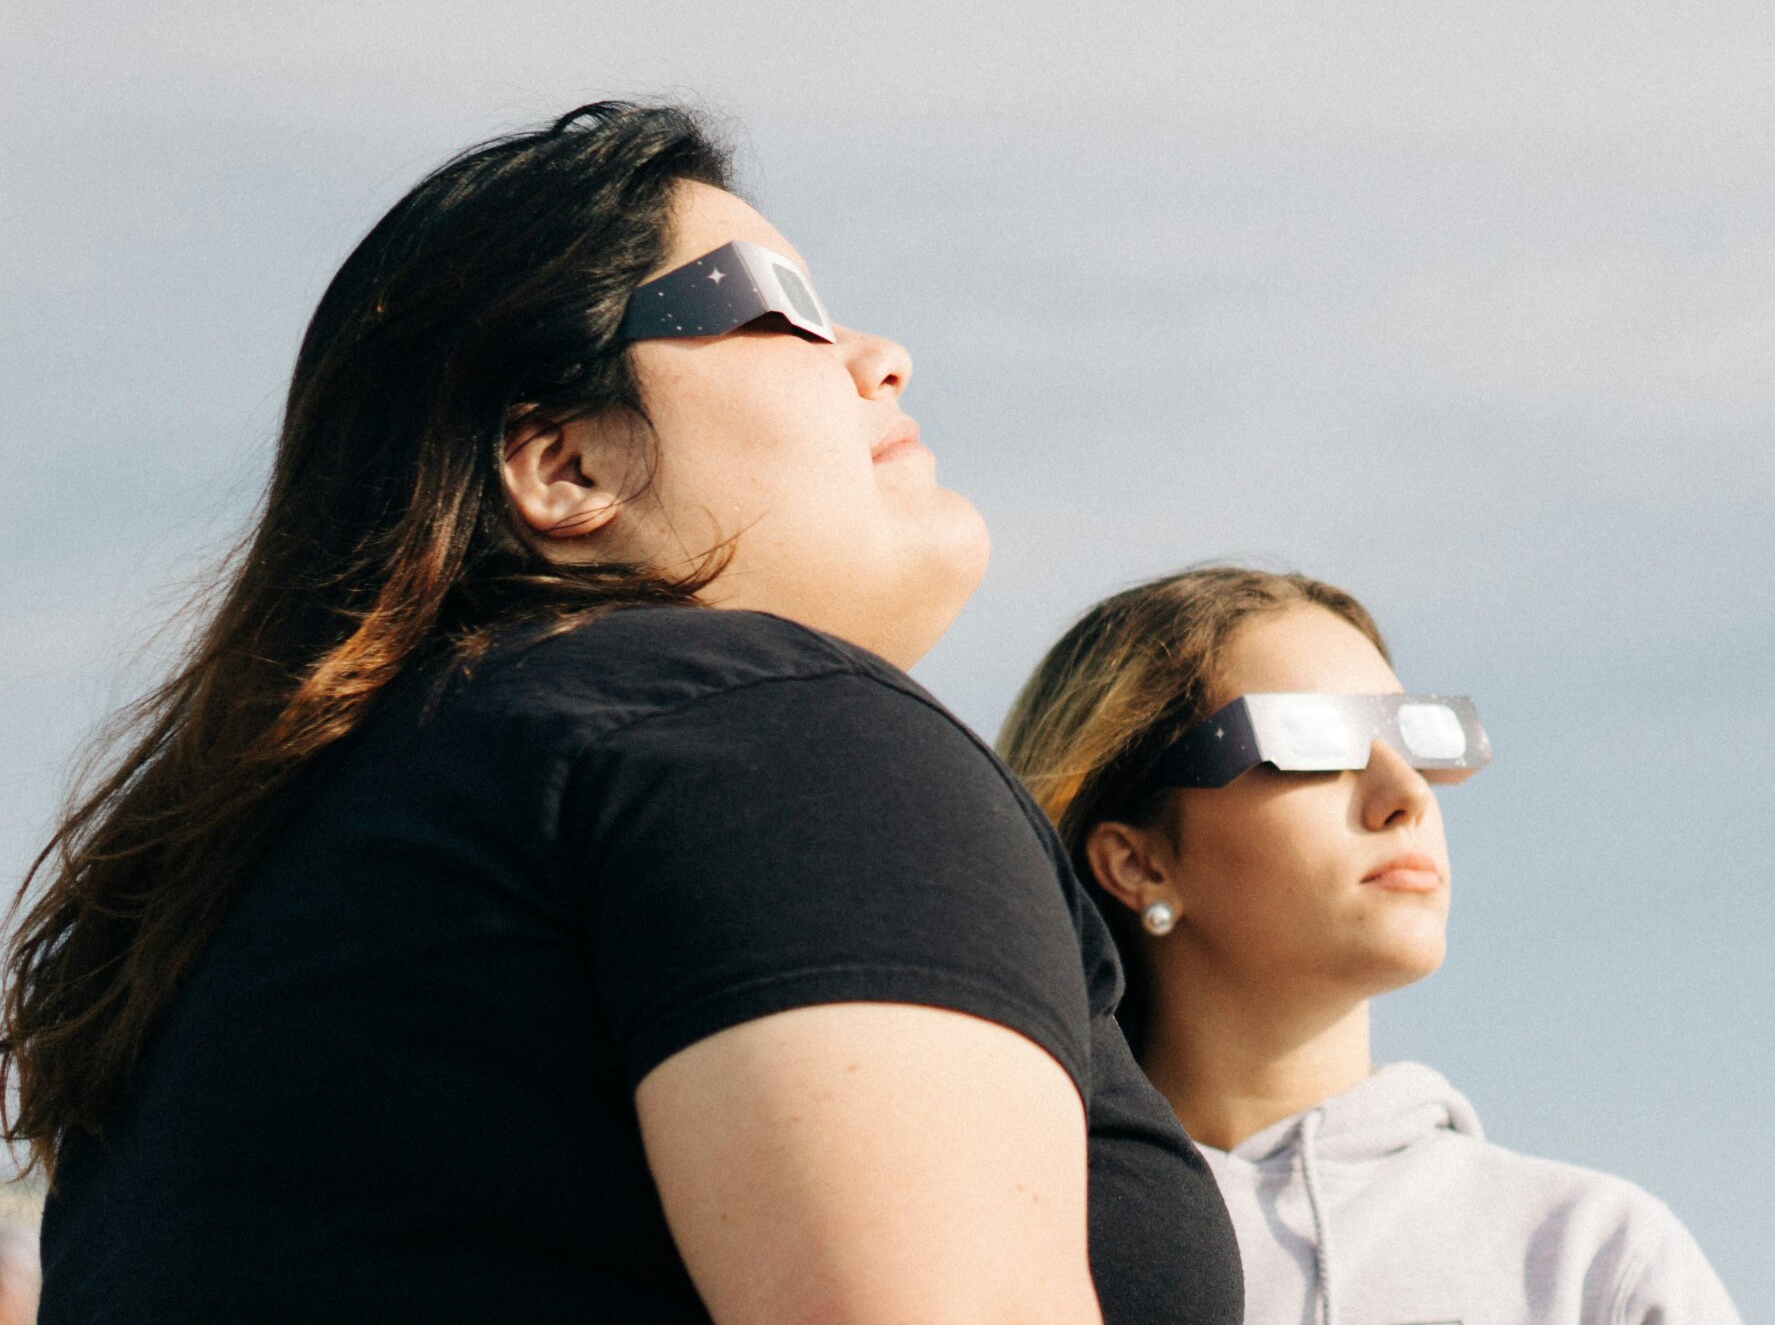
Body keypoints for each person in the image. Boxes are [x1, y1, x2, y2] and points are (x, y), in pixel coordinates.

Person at [4, 104, 1243, 1325]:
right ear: (569, 465)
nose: (881, 356)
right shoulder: (755, 726)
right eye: (777, 305)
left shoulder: (236, 910)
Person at [999, 566, 1745, 1325]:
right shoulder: (999, 1241)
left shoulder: (1595, 1264)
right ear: (1139, 863)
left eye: (1416, 740)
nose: (1407, 794)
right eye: (1314, 740)